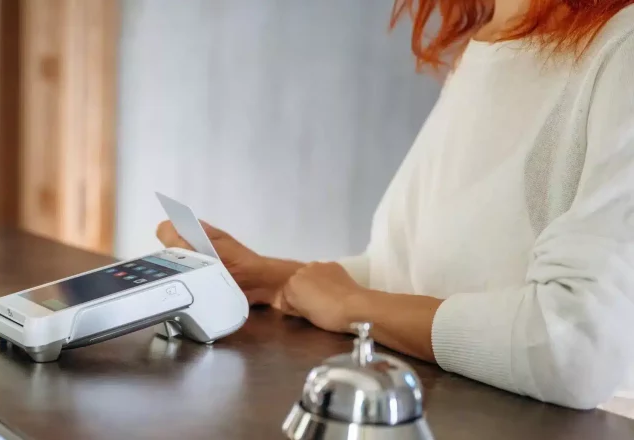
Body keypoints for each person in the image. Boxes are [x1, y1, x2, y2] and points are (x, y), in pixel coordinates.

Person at [158, 0, 634, 413]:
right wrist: (281, 281)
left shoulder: (622, 49)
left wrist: (353, 305)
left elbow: (574, 347)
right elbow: (414, 281)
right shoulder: (483, 49)